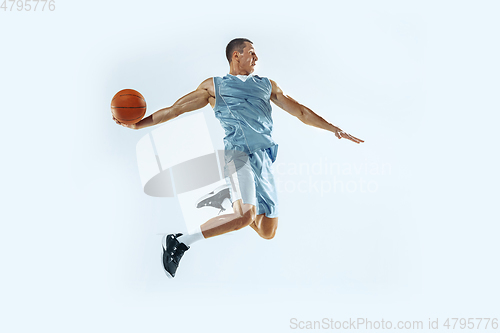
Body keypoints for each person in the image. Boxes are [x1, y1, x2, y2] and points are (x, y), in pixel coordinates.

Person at [113, 38, 364, 278]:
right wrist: (138, 125)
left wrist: (334, 129)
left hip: (264, 159)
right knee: (244, 216)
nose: (256, 58)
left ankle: (230, 199)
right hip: (238, 156)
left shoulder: (267, 85)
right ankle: (180, 241)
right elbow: (174, 110)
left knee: (267, 231)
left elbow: (300, 111)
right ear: (237, 55)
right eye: (251, 53)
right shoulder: (214, 87)